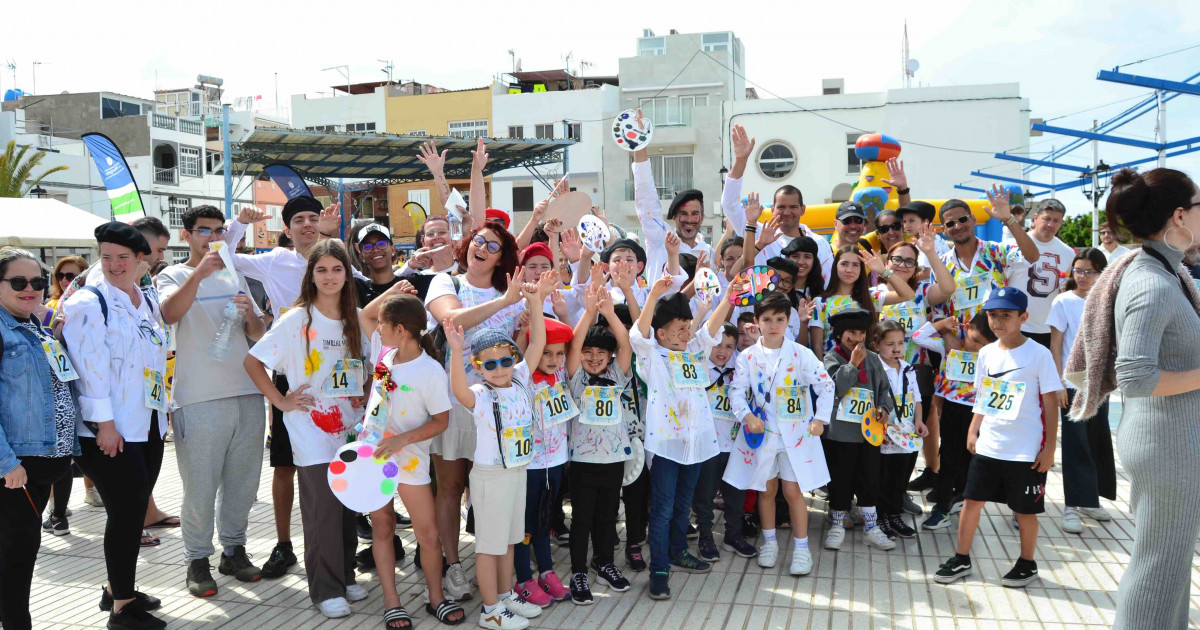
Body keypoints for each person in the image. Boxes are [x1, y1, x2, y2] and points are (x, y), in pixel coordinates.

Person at [243, 240, 370, 619]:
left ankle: (345, 576)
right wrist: (281, 402)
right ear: (310, 275)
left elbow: (366, 365)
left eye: (337, 269)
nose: (330, 277)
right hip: (310, 430)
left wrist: (363, 394)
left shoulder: (356, 318)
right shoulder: (296, 319)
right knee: (322, 511)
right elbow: (253, 362)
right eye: (322, 270)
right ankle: (325, 588)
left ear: (347, 274)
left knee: (348, 505)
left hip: (349, 429)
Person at [222, 196, 345, 578]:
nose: (308, 224)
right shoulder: (275, 260)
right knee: (286, 465)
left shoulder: (337, 259)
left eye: (314, 218)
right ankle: (284, 543)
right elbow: (224, 256)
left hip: (337, 373)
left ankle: (347, 533)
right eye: (299, 220)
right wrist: (240, 224)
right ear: (287, 228)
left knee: (341, 455)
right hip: (289, 372)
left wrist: (332, 237)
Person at [1102, 168, 1200, 628]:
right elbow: (1135, 376)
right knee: (1160, 564)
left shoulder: (1168, 270)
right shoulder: (1151, 281)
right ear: (1179, 216)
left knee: (1171, 564)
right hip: (1167, 446)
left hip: (1172, 439)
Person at [62, 222, 170, 630]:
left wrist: (164, 410)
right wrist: (104, 424)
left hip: (149, 423)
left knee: (134, 509)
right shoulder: (89, 303)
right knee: (125, 513)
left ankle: (117, 586)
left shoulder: (146, 299)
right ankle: (123, 608)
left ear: (142, 260)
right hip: (110, 430)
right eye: (106, 257)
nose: (113, 264)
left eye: (123, 257)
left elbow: (153, 361)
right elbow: (90, 370)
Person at [158, 205, 268, 597]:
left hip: (249, 392)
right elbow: (168, 314)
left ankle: (233, 551)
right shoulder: (172, 274)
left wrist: (249, 317)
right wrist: (200, 273)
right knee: (200, 487)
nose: (212, 237)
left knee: (244, 484)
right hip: (199, 398)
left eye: (219, 231)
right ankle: (197, 559)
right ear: (186, 235)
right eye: (204, 230)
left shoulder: (234, 272)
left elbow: (259, 331)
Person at [933, 287, 1063, 588]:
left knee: (1024, 509)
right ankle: (961, 557)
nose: (998, 321)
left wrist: (1049, 447)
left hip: (1025, 449)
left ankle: (1027, 563)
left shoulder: (1039, 354)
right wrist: (974, 428)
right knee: (971, 501)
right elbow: (984, 394)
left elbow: (1050, 403)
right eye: (993, 315)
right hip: (990, 445)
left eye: (1006, 315)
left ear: (1023, 317)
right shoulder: (988, 353)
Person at [424, 222, 525, 602]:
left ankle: (495, 575)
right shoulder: (446, 283)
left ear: (503, 257)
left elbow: (512, 355)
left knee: (487, 491)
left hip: (498, 411)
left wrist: (523, 327)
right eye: (479, 240)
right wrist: (505, 302)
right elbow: (451, 320)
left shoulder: (508, 291)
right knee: (449, 487)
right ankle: (453, 566)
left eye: (494, 246)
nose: (482, 247)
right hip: (454, 402)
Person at [444, 292, 549, 630]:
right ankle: (490, 609)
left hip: (517, 471)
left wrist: (537, 302)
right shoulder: (479, 394)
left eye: (505, 361)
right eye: (489, 364)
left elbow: (537, 345)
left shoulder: (519, 379)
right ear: (478, 367)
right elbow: (458, 391)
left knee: (509, 539)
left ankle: (504, 596)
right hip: (490, 476)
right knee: (489, 547)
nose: (499, 369)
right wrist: (457, 350)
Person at [358, 293, 464, 627]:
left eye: (382, 324)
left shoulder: (430, 371)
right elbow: (378, 406)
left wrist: (401, 440)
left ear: (400, 329)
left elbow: (441, 421)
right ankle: (392, 601)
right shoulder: (385, 359)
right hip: (375, 460)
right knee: (383, 527)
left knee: (428, 535)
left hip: (411, 463)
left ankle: (436, 597)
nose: (377, 330)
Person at [632, 273, 737, 600]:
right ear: (661, 334)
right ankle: (659, 569)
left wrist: (729, 295)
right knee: (661, 509)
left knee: (682, 505)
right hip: (665, 447)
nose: (686, 332)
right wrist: (652, 298)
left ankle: (678, 550)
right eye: (679, 328)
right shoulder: (652, 358)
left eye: (687, 326)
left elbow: (711, 329)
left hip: (698, 444)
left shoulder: (694, 351)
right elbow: (639, 335)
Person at [724, 292, 834, 574]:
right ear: (757, 322)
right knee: (766, 489)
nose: (773, 325)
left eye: (780, 319)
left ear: (789, 321)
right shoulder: (747, 356)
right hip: (762, 434)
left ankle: (801, 547)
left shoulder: (801, 353)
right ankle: (769, 541)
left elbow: (826, 384)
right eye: (767, 319)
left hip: (796, 434)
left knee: (793, 490)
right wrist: (747, 416)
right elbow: (736, 391)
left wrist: (820, 418)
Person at [0, 247, 79, 630]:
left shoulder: (35, 327)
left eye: (36, 282)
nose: (30, 289)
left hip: (42, 466)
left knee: (20, 558)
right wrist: (6, 464)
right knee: (14, 562)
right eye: (18, 282)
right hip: (16, 470)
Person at [561, 283, 634, 605]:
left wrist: (608, 313)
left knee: (607, 517)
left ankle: (603, 562)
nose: (593, 358)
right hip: (582, 462)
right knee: (582, 518)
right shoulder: (575, 377)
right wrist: (589, 311)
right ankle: (578, 570)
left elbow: (626, 343)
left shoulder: (618, 375)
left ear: (610, 357)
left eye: (600, 353)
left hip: (614, 460)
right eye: (588, 353)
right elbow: (575, 346)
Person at [877, 234, 955, 513]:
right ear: (887, 261)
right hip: (881, 376)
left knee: (908, 437)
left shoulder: (922, 292)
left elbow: (948, 287)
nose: (902, 265)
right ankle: (877, 493)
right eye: (897, 259)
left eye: (909, 261)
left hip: (914, 375)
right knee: (880, 435)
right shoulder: (875, 293)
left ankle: (899, 492)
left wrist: (931, 252)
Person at [513, 279, 575, 607]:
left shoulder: (560, 376)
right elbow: (532, 342)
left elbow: (573, 348)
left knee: (544, 521)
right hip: (529, 465)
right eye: (546, 352)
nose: (552, 359)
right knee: (524, 524)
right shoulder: (520, 377)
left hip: (555, 462)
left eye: (558, 354)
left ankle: (546, 571)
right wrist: (533, 305)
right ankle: (523, 577)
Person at [1046, 248, 1116, 534]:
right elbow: (1055, 346)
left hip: (1099, 383)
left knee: (1098, 439)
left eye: (1089, 271)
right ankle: (1072, 505)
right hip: (1071, 383)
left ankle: (1091, 498)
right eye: (1078, 270)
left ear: (1102, 273)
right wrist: (1057, 384)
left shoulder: (1108, 301)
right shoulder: (1063, 301)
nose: (1083, 276)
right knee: (1075, 443)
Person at [821, 307, 897, 552]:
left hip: (869, 433)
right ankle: (837, 524)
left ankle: (871, 528)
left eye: (861, 332)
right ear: (840, 334)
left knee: (869, 479)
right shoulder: (831, 358)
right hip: (840, 433)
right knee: (840, 478)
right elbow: (835, 388)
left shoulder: (874, 359)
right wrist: (853, 363)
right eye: (850, 332)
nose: (856, 338)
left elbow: (884, 391)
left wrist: (884, 409)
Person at [915, 312, 996, 531]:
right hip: (951, 407)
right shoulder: (949, 345)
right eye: (975, 340)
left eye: (983, 344)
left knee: (970, 455)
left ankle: (960, 495)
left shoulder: (992, 353)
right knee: (949, 455)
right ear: (967, 328)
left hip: (978, 412)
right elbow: (918, 336)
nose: (977, 347)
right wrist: (944, 325)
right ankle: (941, 508)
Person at [720, 126, 833, 283]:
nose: (787, 212)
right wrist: (741, 161)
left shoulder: (820, 244)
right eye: (781, 207)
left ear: (803, 209)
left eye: (793, 207)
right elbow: (729, 203)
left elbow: (826, 287)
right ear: (772, 210)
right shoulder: (757, 234)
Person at [693, 322, 756, 562]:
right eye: (717, 344)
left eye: (729, 346)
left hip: (735, 442)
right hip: (708, 443)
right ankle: (705, 534)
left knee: (736, 490)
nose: (722, 351)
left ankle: (733, 533)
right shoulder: (698, 366)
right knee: (705, 493)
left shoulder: (740, 367)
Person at [871, 319, 926, 541]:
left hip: (905, 433)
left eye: (901, 343)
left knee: (899, 478)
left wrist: (919, 422)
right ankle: (880, 516)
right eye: (889, 344)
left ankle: (894, 514)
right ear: (876, 345)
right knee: (881, 477)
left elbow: (917, 399)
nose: (896, 349)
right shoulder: (875, 367)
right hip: (883, 434)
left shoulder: (908, 369)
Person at [809, 245, 915, 354]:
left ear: (861, 269)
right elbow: (817, 346)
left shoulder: (871, 297)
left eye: (855, 265)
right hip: (833, 366)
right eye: (844, 264)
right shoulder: (820, 302)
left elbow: (908, 295)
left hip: (866, 366)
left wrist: (883, 271)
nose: (849, 270)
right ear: (835, 266)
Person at [1010, 198, 1074, 348]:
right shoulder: (1013, 245)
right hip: (1016, 326)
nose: (1051, 225)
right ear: (1036, 218)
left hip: (1048, 328)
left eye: (1056, 221)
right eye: (1047, 219)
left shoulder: (1068, 253)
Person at [353, 222, 402, 305]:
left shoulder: (409, 284)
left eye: (381, 244)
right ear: (361, 255)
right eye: (368, 247)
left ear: (393, 249)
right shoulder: (357, 290)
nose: (375, 249)